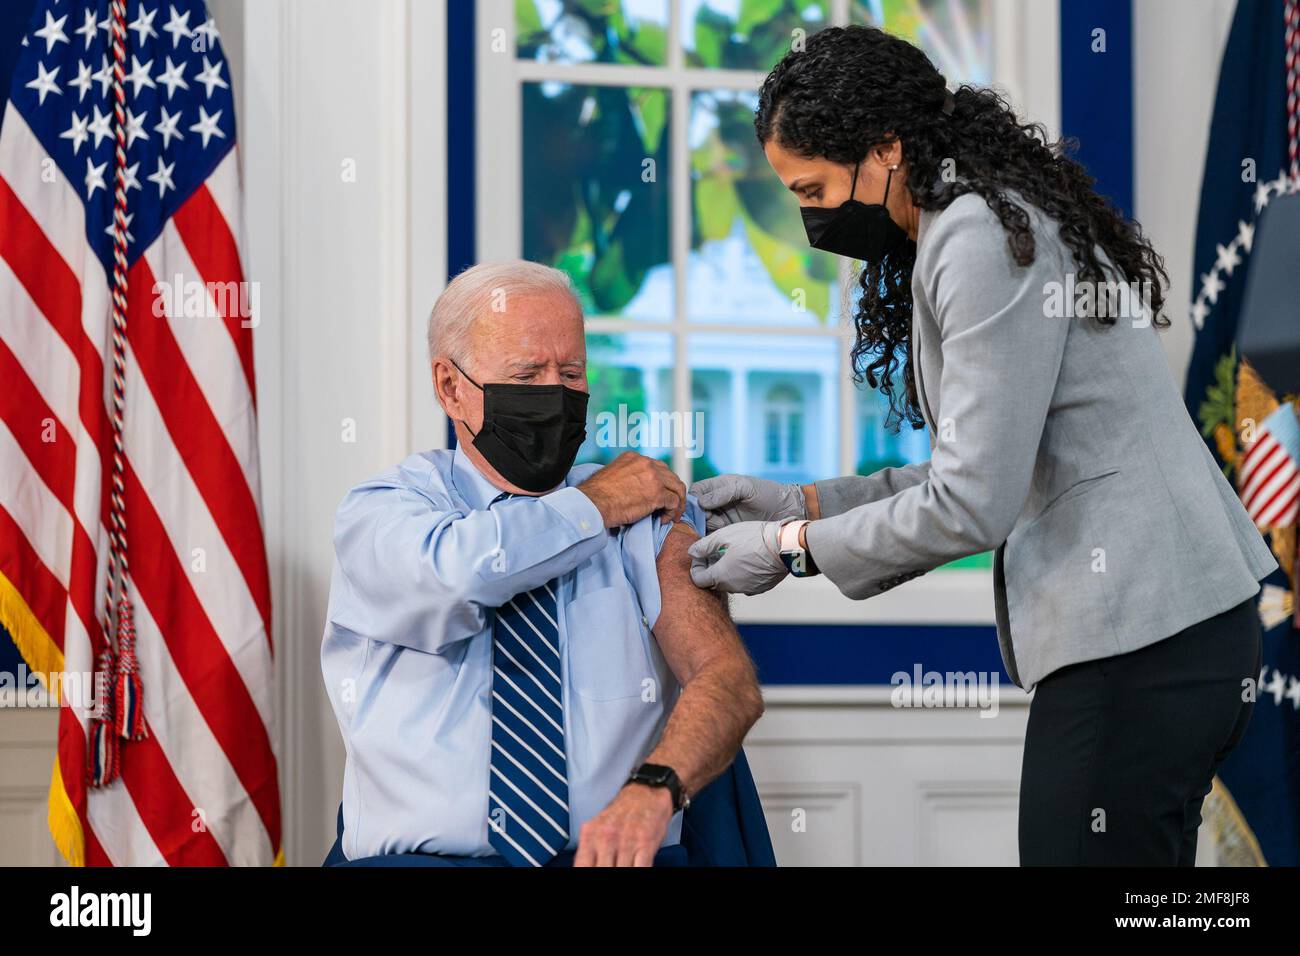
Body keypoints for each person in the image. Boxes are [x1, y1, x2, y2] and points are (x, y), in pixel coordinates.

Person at [687, 25, 1276, 865]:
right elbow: (978, 463)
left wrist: (792, 550)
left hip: (1141, 637)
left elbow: (974, 500)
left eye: (813, 188)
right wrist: (804, 503)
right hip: (1177, 631)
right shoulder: (979, 220)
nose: (808, 216)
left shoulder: (976, 235)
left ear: (885, 147)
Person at [321, 260, 763, 867]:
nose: (555, 395)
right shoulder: (386, 511)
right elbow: (460, 576)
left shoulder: (646, 514)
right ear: (451, 387)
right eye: (527, 374)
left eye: (572, 372)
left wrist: (655, 791)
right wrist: (595, 503)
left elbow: (726, 678)